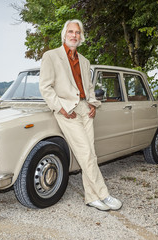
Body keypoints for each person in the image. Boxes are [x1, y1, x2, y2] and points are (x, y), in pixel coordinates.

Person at [39, 19, 122, 211]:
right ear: (64, 34)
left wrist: (93, 103)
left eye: (77, 32)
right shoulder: (51, 56)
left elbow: (89, 87)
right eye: (70, 32)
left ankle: (91, 198)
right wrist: (60, 108)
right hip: (68, 111)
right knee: (86, 154)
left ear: (81, 36)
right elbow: (45, 87)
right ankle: (104, 194)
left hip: (86, 110)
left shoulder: (84, 61)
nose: (74, 35)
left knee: (90, 154)